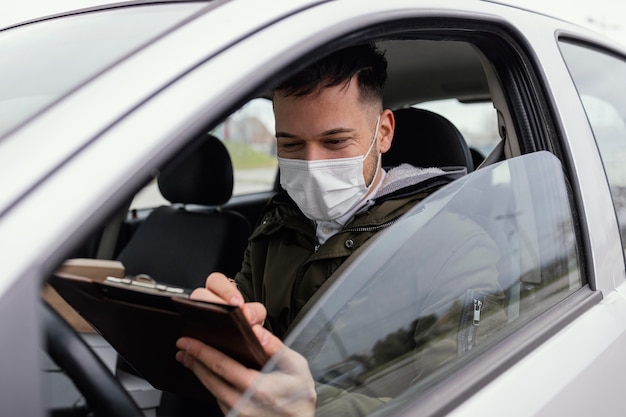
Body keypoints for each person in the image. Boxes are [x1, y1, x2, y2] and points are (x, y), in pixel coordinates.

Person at [174, 43, 506, 416]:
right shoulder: (277, 225)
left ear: (383, 133)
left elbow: (463, 403)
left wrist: (313, 410)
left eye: (334, 142)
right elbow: (250, 330)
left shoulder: (457, 249)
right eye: (291, 144)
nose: (312, 165)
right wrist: (216, 323)